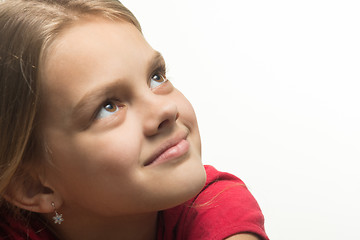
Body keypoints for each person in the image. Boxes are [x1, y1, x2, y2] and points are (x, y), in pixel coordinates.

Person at [0, 0, 269, 239]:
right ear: (33, 186)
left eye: (156, 77)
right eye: (107, 106)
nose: (165, 110)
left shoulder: (217, 206)